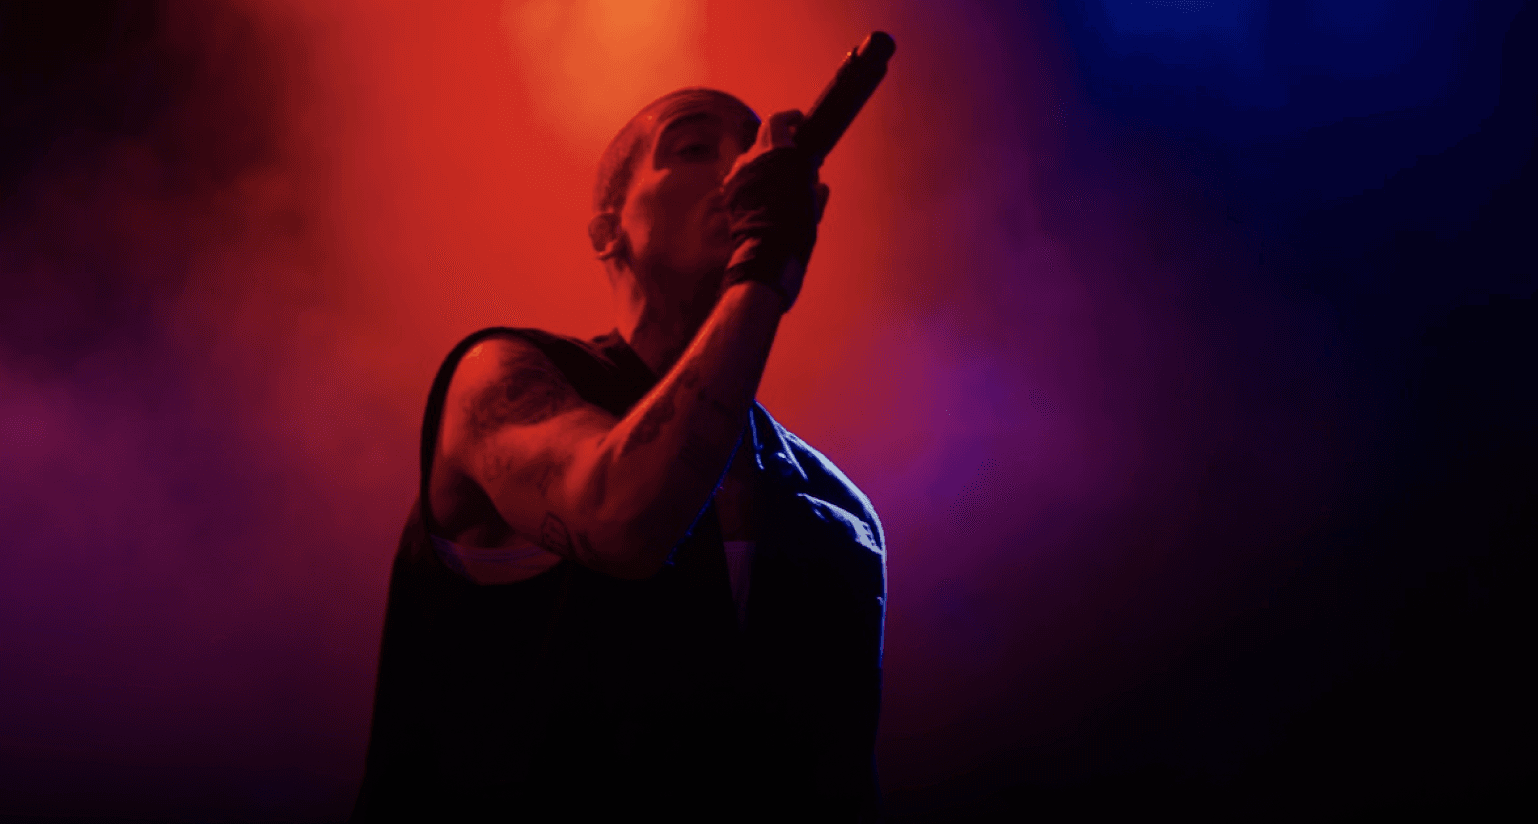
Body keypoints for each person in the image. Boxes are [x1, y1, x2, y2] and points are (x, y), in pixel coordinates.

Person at [351, 88, 886, 822]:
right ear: (610, 230)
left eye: (752, 147)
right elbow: (619, 520)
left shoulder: (837, 516)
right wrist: (761, 258)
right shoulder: (501, 379)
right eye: (694, 149)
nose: (741, 168)